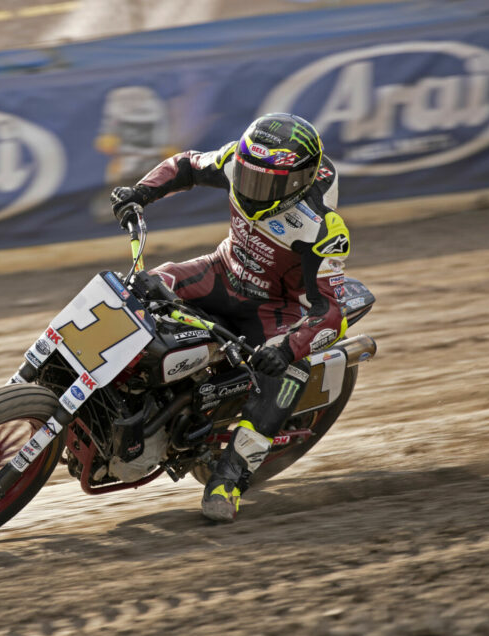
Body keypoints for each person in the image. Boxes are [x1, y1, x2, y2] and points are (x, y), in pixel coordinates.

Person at [109, 112, 351, 522]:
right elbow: (185, 165)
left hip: (275, 307)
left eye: (267, 184)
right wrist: (139, 193)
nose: (251, 188)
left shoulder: (323, 228)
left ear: (298, 182)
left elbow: (331, 312)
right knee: (134, 287)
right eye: (247, 175)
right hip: (222, 270)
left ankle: (230, 478)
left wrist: (287, 347)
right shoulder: (241, 164)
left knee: (286, 377)